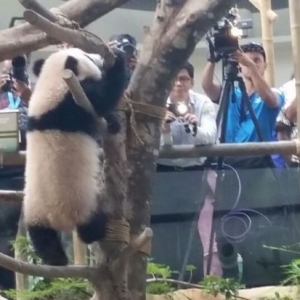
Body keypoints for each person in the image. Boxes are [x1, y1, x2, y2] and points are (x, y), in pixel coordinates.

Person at [201, 42, 287, 286]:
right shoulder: (233, 92)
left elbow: (270, 100)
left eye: (257, 60)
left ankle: (260, 280)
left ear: (264, 64)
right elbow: (208, 87)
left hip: (258, 165)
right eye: (246, 59)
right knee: (225, 224)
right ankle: (230, 279)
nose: (251, 63)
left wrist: (250, 67)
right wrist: (212, 59)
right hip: (228, 164)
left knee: (259, 221)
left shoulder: (274, 92)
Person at [157, 61, 220, 278]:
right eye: (174, 78)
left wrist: (194, 128)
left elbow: (210, 136)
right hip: (162, 174)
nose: (178, 84)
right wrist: (164, 130)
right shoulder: (155, 103)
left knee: (190, 228)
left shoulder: (203, 103)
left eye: (183, 79)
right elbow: (152, 145)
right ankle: (163, 283)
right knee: (162, 229)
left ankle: (192, 283)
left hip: (194, 174)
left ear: (192, 82)